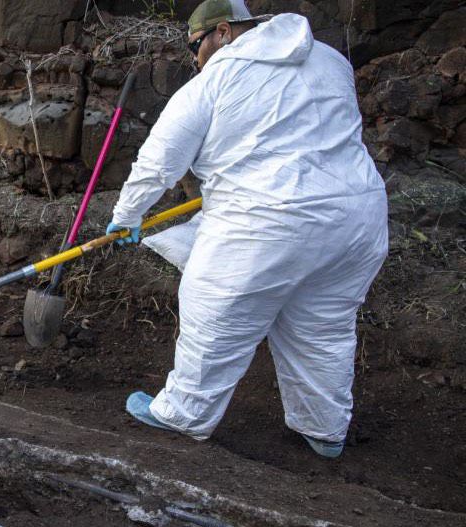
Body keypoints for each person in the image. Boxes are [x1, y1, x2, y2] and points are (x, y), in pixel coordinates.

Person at [106, 0, 389, 458]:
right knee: (322, 328)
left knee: (214, 307)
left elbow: (158, 163)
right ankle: (324, 429)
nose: (195, 59)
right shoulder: (331, 60)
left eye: (195, 46)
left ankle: (184, 413)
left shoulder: (215, 82)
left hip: (267, 222)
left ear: (222, 32)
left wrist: (126, 216)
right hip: (355, 220)